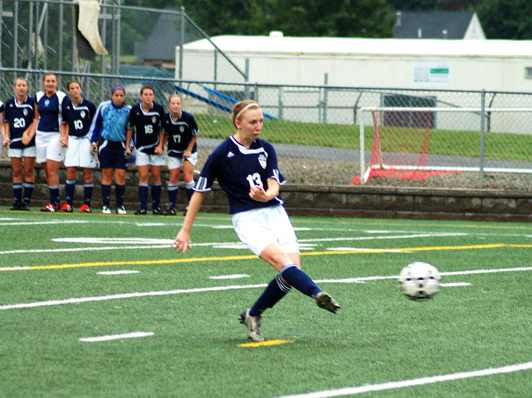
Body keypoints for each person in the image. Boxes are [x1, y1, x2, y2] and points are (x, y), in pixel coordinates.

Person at [171, 100, 340, 342]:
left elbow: (274, 185)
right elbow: (199, 192)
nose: (258, 126)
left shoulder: (266, 149)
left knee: (291, 274)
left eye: (261, 121)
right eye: (253, 122)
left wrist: (267, 195)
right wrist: (185, 230)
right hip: (247, 218)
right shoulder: (222, 154)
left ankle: (253, 314)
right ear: (238, 123)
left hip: (276, 214)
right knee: (283, 263)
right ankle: (317, 294)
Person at [23, 72, 68, 212]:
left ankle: (53, 203)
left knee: (51, 170)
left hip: (55, 135)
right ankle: (58, 201)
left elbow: (66, 119)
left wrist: (64, 136)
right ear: (43, 82)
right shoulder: (38, 96)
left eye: (53, 81)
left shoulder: (61, 97)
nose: (50, 83)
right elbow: (36, 118)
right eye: (48, 81)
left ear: (56, 83)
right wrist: (29, 134)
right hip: (41, 136)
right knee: (47, 171)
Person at [89, 85, 131, 214]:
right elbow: (97, 125)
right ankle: (106, 205)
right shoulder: (104, 107)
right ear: (112, 96)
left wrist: (129, 146)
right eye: (116, 95)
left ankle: (120, 205)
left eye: (121, 96)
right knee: (106, 175)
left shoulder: (128, 110)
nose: (119, 98)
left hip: (121, 146)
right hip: (106, 145)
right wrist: (93, 142)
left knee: (121, 175)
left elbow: (130, 129)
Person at [126, 85, 165, 215]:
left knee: (155, 176)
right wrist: (128, 146)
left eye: (151, 95)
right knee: (143, 176)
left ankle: (156, 207)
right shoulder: (135, 110)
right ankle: (142, 207)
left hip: (155, 148)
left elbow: (162, 129)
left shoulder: (159, 109)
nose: (149, 97)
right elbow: (130, 128)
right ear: (141, 96)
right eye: (146, 94)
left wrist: (160, 145)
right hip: (141, 147)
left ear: (153, 96)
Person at [60, 81, 97, 213]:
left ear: (81, 89)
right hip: (73, 140)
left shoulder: (89, 106)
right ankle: (69, 204)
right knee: (70, 171)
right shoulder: (66, 106)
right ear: (69, 91)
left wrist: (94, 142)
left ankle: (87, 205)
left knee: (87, 172)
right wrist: (63, 137)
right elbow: (64, 123)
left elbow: (95, 125)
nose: (75, 90)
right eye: (72, 89)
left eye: (77, 88)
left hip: (86, 140)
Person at [161, 93, 199, 216]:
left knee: (188, 176)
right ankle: (172, 207)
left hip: (188, 150)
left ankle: (190, 207)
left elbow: (195, 134)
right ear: (169, 105)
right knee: (173, 177)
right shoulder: (166, 118)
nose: (176, 106)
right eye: (173, 103)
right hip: (173, 150)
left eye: (178, 103)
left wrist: (188, 149)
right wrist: (160, 145)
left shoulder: (188, 118)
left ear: (181, 105)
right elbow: (165, 133)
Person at [2, 78, 36, 211]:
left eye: (24, 85)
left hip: (29, 141)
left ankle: (26, 201)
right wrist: (6, 136)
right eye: (19, 85)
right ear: (14, 87)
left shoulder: (32, 102)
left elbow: (35, 120)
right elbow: (8, 122)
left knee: (28, 170)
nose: (21, 88)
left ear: (27, 88)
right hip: (15, 141)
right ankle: (17, 201)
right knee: (16, 171)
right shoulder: (10, 103)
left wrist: (28, 135)